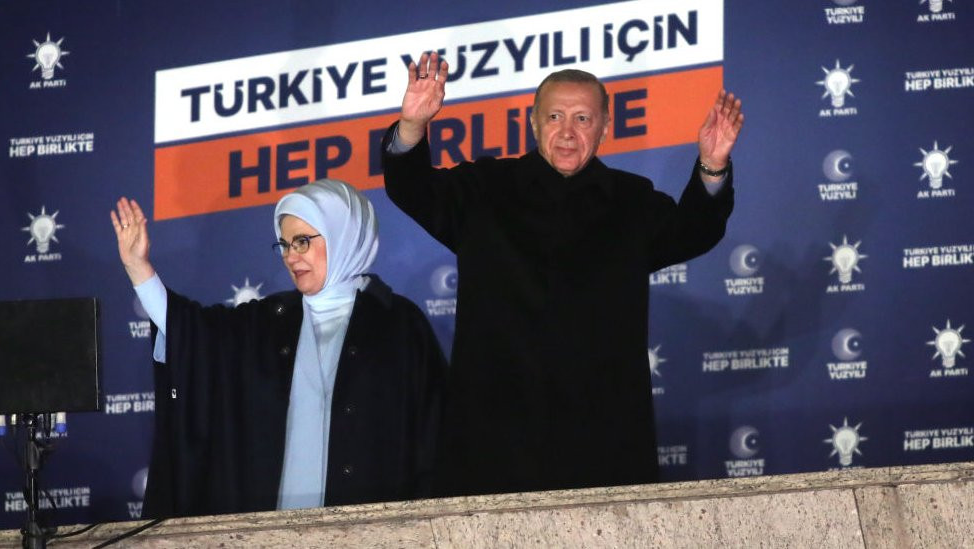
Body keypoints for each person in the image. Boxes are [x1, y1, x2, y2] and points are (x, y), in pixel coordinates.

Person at [381, 53, 743, 497]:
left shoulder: (630, 202)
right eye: (554, 116)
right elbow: (410, 187)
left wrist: (712, 165)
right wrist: (413, 125)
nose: (567, 132)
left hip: (602, 442)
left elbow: (693, 231)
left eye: (582, 118)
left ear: (605, 128)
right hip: (492, 440)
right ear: (533, 124)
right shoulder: (485, 191)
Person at [110, 179, 447, 518]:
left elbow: (434, 441)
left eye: (302, 242)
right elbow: (194, 334)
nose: (291, 257)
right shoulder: (268, 321)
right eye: (284, 245)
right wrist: (139, 269)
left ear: (343, 235)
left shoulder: (398, 324)